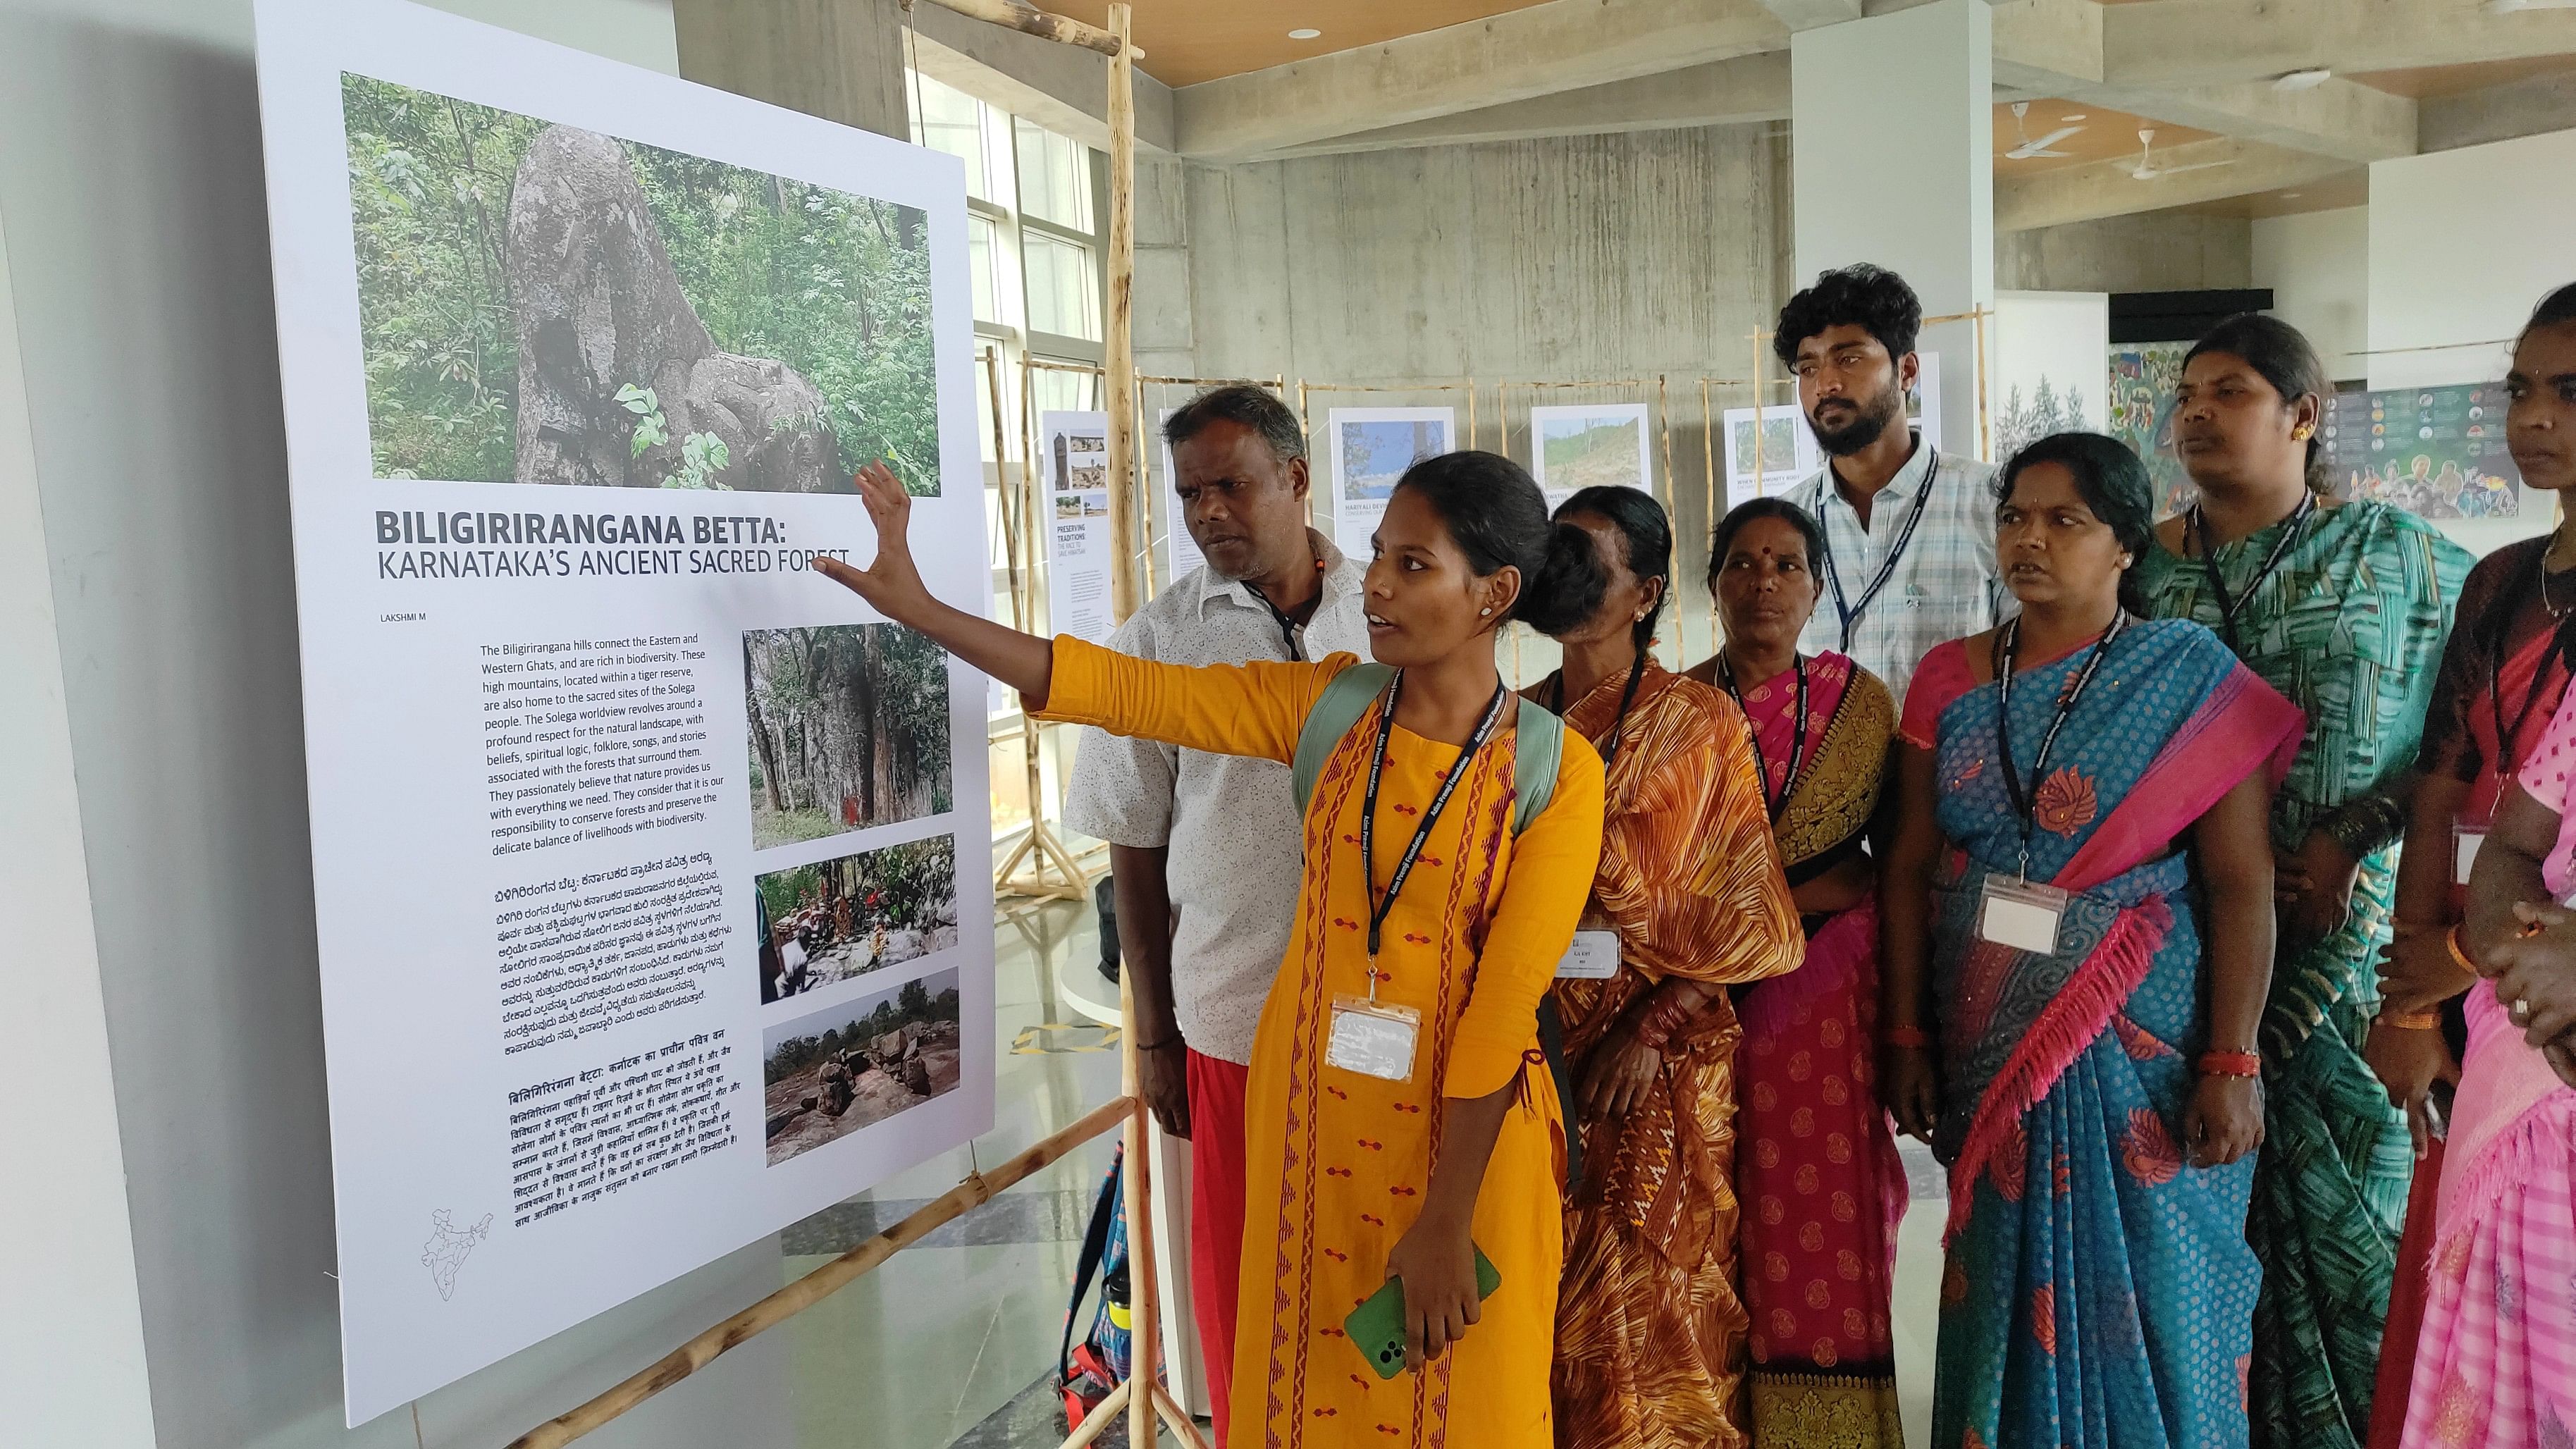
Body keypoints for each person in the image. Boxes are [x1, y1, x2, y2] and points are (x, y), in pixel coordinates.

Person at [819, 451, 1606, 1444]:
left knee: (1463, 1401)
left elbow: (1502, 1009)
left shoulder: (1553, 771)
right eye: (1376, 557)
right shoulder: (1329, 706)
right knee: (1308, 1383)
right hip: (1310, 1109)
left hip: (1463, 1149)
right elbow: (1130, 693)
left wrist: (1448, 1221)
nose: (1374, 584)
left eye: (1413, 566)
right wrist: (923, 611)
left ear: (1494, 593)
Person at [1881, 432, 2299, 1449]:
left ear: (2123, 546)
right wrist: (1901, 1034)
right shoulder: (1951, 678)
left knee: (2161, 1292)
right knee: (1996, 1287)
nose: (2029, 540)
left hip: (2144, 1044)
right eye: (2014, 517)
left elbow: (2241, 884)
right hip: (1985, 1026)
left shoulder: (2187, 678)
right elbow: (1903, 869)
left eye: (2062, 521)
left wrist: (2232, 1059)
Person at [2136, 315, 2474, 1449]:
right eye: (2184, 393)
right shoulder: (2137, 568)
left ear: (2300, 414)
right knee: (2198, 1225)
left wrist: (2348, 835)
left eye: (2226, 390)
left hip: (2350, 952)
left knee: (2359, 1232)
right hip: (2180, 945)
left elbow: (2465, 735)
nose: (2193, 411)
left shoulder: (2400, 557)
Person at [1059, 385, 1369, 1444]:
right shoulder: (1157, 640)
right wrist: (1151, 1032)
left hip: (1385, 1024)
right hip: (1232, 1023)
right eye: (1189, 494)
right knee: (1251, 1303)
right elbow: (1130, 854)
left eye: (1229, 485)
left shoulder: (1390, 610)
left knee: (1371, 1287)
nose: (1207, 515)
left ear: (1294, 477)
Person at [1533, 487, 1802, 1449]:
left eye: (1586, 561)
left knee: (1657, 1304)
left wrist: (1649, 1033)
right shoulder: (1514, 720)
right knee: (1545, 1295)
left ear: (1643, 593)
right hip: (1536, 1056)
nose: (1562, 574)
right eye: (1552, 553)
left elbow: (1748, 913)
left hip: (1663, 1063)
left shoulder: (1697, 723)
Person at [2384, 284, 2576, 1448]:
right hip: (2485, 944)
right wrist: (2419, 986)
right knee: (2469, 1259)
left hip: (2537, 959)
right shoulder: (2501, 578)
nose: (2534, 417)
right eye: (2520, 389)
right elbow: (2444, 774)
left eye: (2568, 391)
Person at [1686, 497, 1911, 1444]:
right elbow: (1670, 865)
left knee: (1819, 1201)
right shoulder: (1680, 707)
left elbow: (1886, 864)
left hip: (1825, 997)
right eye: (1741, 563)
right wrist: (1807, 889)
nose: (1762, 582)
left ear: (1817, 587)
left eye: (1784, 564)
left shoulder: (1858, 702)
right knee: (1711, 1202)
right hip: (1701, 994)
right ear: (1712, 586)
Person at [1773, 263, 2010, 698]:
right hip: (1822, 766)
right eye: (1808, 369)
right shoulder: (1783, 523)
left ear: (1907, 372)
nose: (1826, 383)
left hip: (1958, 765)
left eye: (1849, 358)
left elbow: (2033, 666)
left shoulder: (1992, 503)